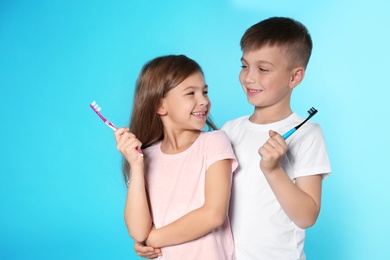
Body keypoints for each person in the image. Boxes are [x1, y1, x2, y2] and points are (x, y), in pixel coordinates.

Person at [134, 17, 331, 259]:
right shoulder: (228, 131)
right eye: (244, 66)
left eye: (263, 69)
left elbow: (307, 216)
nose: (249, 78)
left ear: (295, 77)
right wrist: (157, 238)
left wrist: (273, 170)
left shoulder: (307, 134)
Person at [114, 54, 238, 260]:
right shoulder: (146, 157)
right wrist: (136, 166)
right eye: (191, 93)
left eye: (204, 92)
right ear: (160, 106)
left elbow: (213, 215)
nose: (203, 101)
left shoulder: (214, 142)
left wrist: (152, 239)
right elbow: (137, 231)